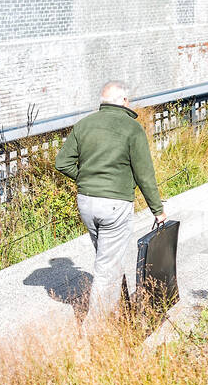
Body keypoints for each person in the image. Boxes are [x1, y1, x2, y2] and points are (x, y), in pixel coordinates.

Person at [55, 81, 166, 324]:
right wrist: (157, 210)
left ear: (103, 101)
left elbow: (62, 163)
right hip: (115, 205)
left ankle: (119, 311)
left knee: (107, 261)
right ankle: (94, 333)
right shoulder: (132, 129)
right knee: (106, 269)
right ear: (125, 101)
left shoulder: (83, 125)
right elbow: (144, 175)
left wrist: (85, 178)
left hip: (86, 202)